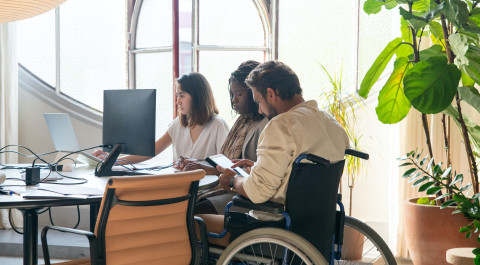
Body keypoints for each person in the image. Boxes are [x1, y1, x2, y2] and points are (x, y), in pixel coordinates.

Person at [215, 60, 350, 211]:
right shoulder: (333, 125)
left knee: (197, 222)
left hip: (277, 223)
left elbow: (258, 192)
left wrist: (234, 179)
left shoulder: (281, 125)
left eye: (258, 101)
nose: (259, 110)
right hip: (318, 221)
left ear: (271, 94)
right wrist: (259, 169)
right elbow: (305, 179)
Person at [177, 60, 268, 214]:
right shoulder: (243, 122)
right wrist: (201, 165)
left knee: (191, 211)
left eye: (239, 94)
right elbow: (230, 165)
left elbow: (247, 172)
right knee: (183, 204)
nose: (234, 100)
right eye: (232, 94)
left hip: (243, 194)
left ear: (254, 92)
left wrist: (206, 168)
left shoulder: (264, 125)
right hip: (233, 188)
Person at [93, 72, 230, 165]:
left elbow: (226, 165)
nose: (178, 102)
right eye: (177, 96)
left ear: (197, 96)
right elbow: (150, 151)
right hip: (182, 188)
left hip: (205, 191)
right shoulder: (179, 124)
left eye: (182, 95)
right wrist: (112, 160)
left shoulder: (217, 125)